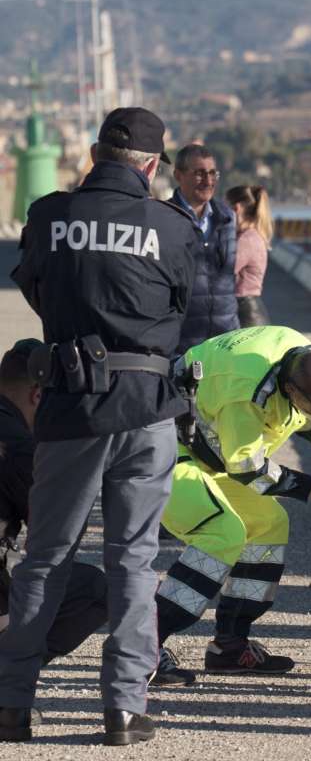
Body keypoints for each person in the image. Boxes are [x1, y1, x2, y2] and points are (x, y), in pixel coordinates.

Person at [0, 107, 197, 746]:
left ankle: (10, 704)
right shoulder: (171, 224)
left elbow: (33, 287)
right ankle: (122, 708)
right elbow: (181, 304)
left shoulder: (50, 216)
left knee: (45, 559)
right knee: (135, 561)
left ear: (93, 152)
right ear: (150, 166)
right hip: (146, 407)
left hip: (70, 405)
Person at [155, 325, 311, 677]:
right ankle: (143, 644)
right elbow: (247, 468)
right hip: (163, 447)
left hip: (211, 451)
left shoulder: (304, 359)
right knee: (221, 533)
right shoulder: (245, 393)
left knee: (268, 525)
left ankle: (230, 645)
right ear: (289, 390)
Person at [0, 339, 107, 660]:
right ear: (38, 396)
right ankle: (7, 684)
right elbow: (54, 536)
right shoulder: (19, 447)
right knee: (94, 590)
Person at [170, 144, 239, 352]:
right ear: (178, 175)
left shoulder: (228, 218)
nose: (208, 181)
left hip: (226, 340)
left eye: (212, 173)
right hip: (182, 342)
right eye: (199, 174)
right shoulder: (164, 218)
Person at [225, 185, 272, 327]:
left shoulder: (247, 239)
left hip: (245, 314)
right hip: (248, 310)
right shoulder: (252, 235)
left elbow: (223, 271)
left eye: (226, 208)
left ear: (236, 209)